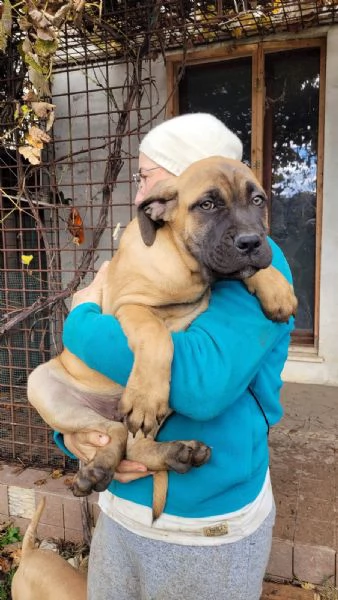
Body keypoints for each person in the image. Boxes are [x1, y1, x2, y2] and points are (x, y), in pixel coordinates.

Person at [54, 113, 294, 600]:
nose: (139, 193)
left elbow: (201, 386)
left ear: (190, 176)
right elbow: (100, 376)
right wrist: (76, 438)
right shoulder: (155, 253)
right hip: (123, 509)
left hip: (207, 523)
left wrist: (79, 321)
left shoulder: (258, 265)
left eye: (145, 176)